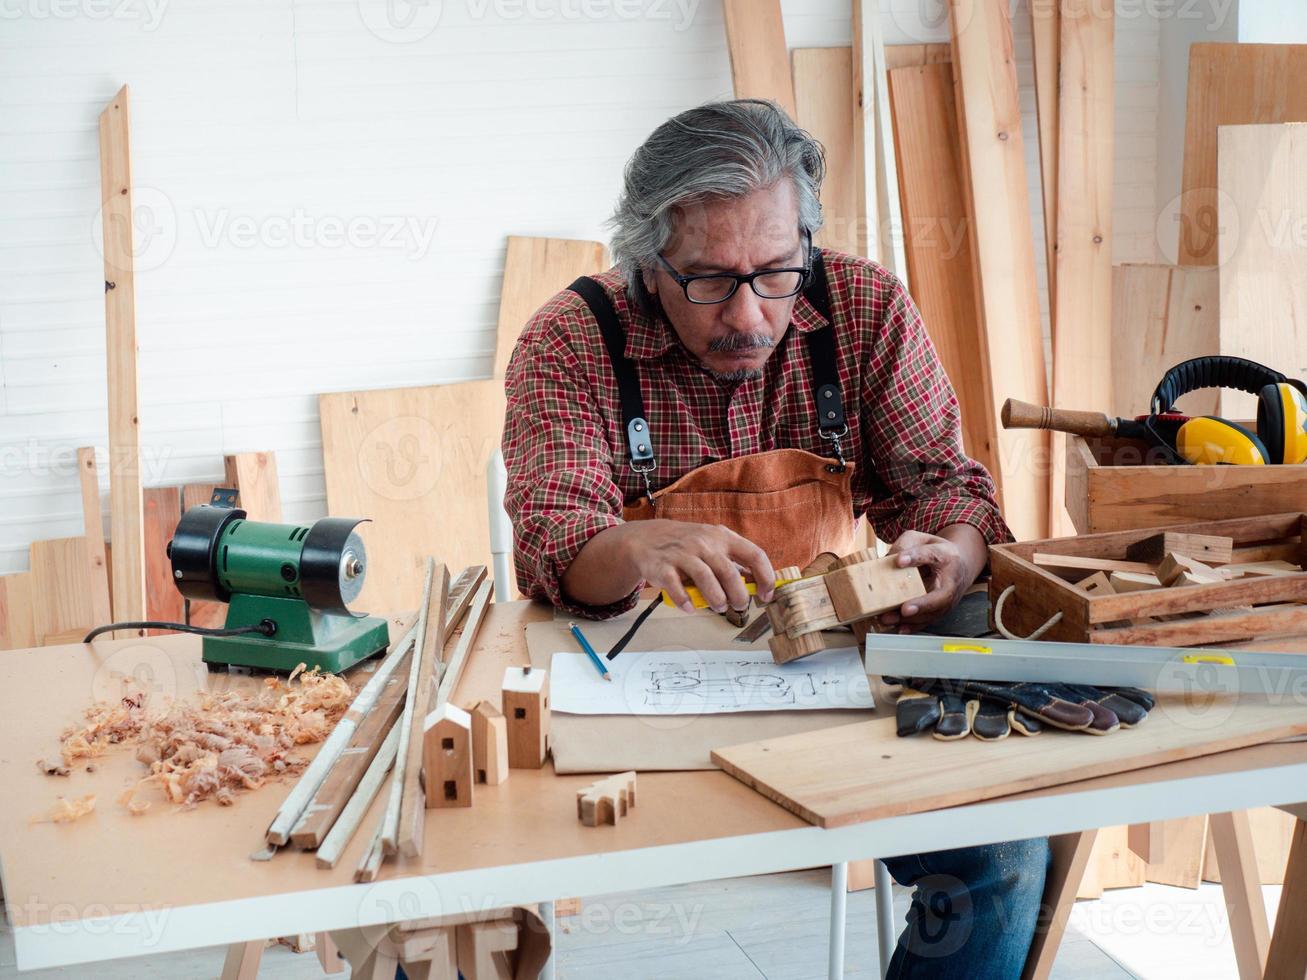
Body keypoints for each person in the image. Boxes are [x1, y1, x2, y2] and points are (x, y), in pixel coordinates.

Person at [500, 98, 1049, 977]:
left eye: (776, 272)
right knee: (475, 884)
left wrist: (952, 554)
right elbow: (554, 532)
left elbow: (948, 488)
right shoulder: (572, 338)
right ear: (648, 263)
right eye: (710, 280)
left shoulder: (865, 307)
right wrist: (627, 550)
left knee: (1003, 857)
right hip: (639, 716)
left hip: (829, 694)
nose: (751, 316)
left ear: (805, 241)